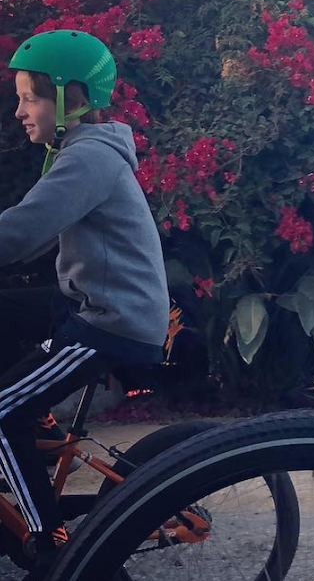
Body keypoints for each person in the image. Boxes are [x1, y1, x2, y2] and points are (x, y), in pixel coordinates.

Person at [0, 30, 169, 578]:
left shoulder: (89, 156)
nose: (19, 111)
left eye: (30, 98)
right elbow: (36, 237)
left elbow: (21, 232)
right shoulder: (79, 152)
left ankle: (51, 545)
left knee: (0, 415)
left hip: (110, 320)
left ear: (71, 98)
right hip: (93, 302)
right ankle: (42, 426)